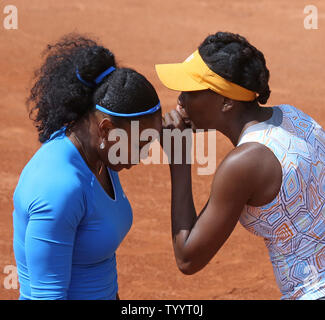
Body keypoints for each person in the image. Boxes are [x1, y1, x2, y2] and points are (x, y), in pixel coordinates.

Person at [155, 31, 325, 300]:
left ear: (226, 101)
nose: (180, 100)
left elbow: (188, 257)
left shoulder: (244, 163)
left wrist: (178, 158)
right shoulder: (293, 116)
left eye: (191, 92)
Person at [13, 34, 162, 300]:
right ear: (106, 129)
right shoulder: (58, 187)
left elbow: (99, 267)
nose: (142, 156)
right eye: (140, 144)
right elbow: (47, 297)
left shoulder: (100, 156)